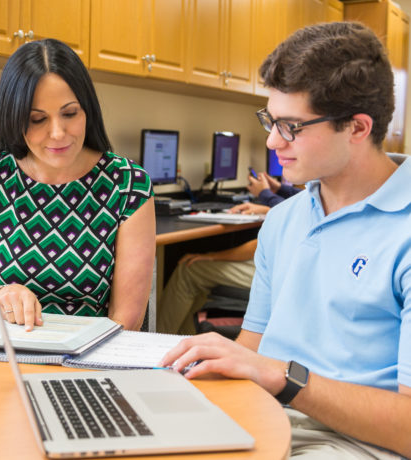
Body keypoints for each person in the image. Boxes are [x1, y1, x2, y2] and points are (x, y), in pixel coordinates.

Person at [160, 22, 410, 458]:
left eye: (291, 126)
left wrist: (281, 377)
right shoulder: (284, 219)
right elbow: (251, 352)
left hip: (352, 443)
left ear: (357, 127)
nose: (273, 141)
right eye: (270, 121)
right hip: (263, 417)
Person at [0, 38, 155, 332]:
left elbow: (126, 321)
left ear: (88, 111)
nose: (58, 133)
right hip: (7, 354)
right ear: (14, 120)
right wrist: (1, 295)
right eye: (37, 119)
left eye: (70, 114)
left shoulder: (127, 185)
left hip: (90, 356)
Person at [158, 201, 277, 336]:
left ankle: (159, 339)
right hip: (286, 271)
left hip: (277, 273)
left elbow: (257, 247)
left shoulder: (299, 202)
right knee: (199, 283)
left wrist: (213, 256)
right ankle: (183, 343)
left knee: (191, 269)